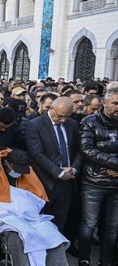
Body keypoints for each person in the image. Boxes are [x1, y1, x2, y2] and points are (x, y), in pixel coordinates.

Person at [77, 88, 118, 266]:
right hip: (94, 181)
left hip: (116, 182)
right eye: (115, 103)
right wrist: (114, 163)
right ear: (105, 103)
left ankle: (106, 262)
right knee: (89, 223)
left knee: (112, 225)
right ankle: (84, 260)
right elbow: (87, 150)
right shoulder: (90, 122)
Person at [26, 97, 81, 233]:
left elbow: (79, 150)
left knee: (60, 220)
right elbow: (37, 154)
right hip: (45, 181)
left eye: (67, 117)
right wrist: (59, 172)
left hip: (68, 181)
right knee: (42, 221)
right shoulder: (35, 125)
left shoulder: (72, 124)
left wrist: (73, 169)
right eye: (60, 116)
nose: (63, 120)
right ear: (51, 108)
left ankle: (57, 250)